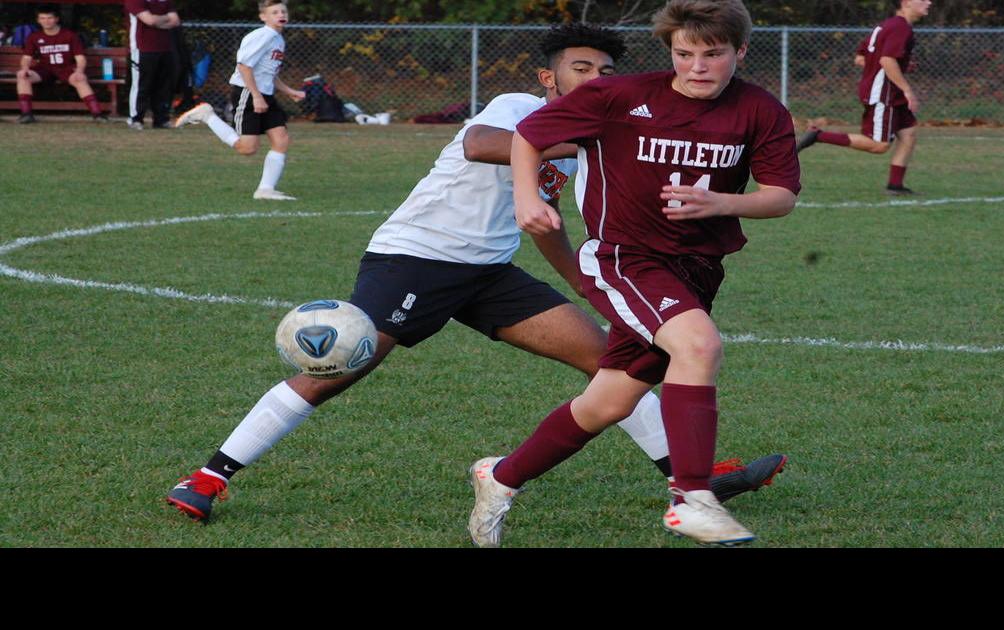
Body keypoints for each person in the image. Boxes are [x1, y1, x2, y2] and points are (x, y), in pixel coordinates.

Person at [165, 22, 785, 525]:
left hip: (489, 272)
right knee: (340, 369)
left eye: (603, 71)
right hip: (416, 257)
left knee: (610, 362)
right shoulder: (523, 106)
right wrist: (582, 143)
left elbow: (545, 224)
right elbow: (480, 143)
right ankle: (208, 478)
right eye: (580, 68)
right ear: (550, 76)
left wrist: (582, 282)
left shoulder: (594, 129)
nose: (595, 79)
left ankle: (694, 479)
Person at [468, 0, 801, 548]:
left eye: (713, 54)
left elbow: (781, 197)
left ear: (739, 51)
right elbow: (529, 134)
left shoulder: (761, 110)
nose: (697, 66)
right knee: (698, 346)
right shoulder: (620, 96)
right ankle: (692, 499)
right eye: (684, 53)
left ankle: (499, 478)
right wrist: (528, 197)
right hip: (623, 257)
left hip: (696, 268)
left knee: (609, 401)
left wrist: (718, 203)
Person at [173, 0, 305, 201]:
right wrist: (257, 96)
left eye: (283, 10)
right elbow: (244, 67)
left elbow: (269, 72)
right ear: (263, 16)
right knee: (247, 148)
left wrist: (289, 91)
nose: (281, 14)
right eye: (275, 11)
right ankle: (207, 116)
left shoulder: (278, 38)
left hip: (264, 95)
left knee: (281, 140)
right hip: (247, 93)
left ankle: (265, 190)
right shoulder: (263, 36)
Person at [797, 0, 930, 195]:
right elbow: (886, 60)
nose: (928, 2)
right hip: (885, 93)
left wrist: (897, 66)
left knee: (908, 134)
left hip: (885, 91)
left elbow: (861, 58)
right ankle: (818, 135)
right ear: (906, 2)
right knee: (879, 145)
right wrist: (907, 90)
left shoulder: (886, 25)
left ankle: (895, 186)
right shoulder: (900, 28)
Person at [15, 5, 108, 124]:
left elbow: (80, 58)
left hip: (65, 68)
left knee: (80, 79)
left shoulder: (69, 35)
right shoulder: (35, 36)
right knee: (22, 76)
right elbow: (26, 58)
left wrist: (79, 71)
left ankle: (97, 114)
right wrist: (25, 69)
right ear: (38, 20)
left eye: (49, 18)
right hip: (45, 69)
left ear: (56, 19)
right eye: (42, 18)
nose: (46, 21)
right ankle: (26, 114)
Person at [125, 0, 181, 129]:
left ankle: (161, 119)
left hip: (164, 48)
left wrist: (157, 21)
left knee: (163, 86)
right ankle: (136, 119)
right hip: (142, 49)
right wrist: (165, 18)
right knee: (142, 85)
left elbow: (175, 21)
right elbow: (149, 20)